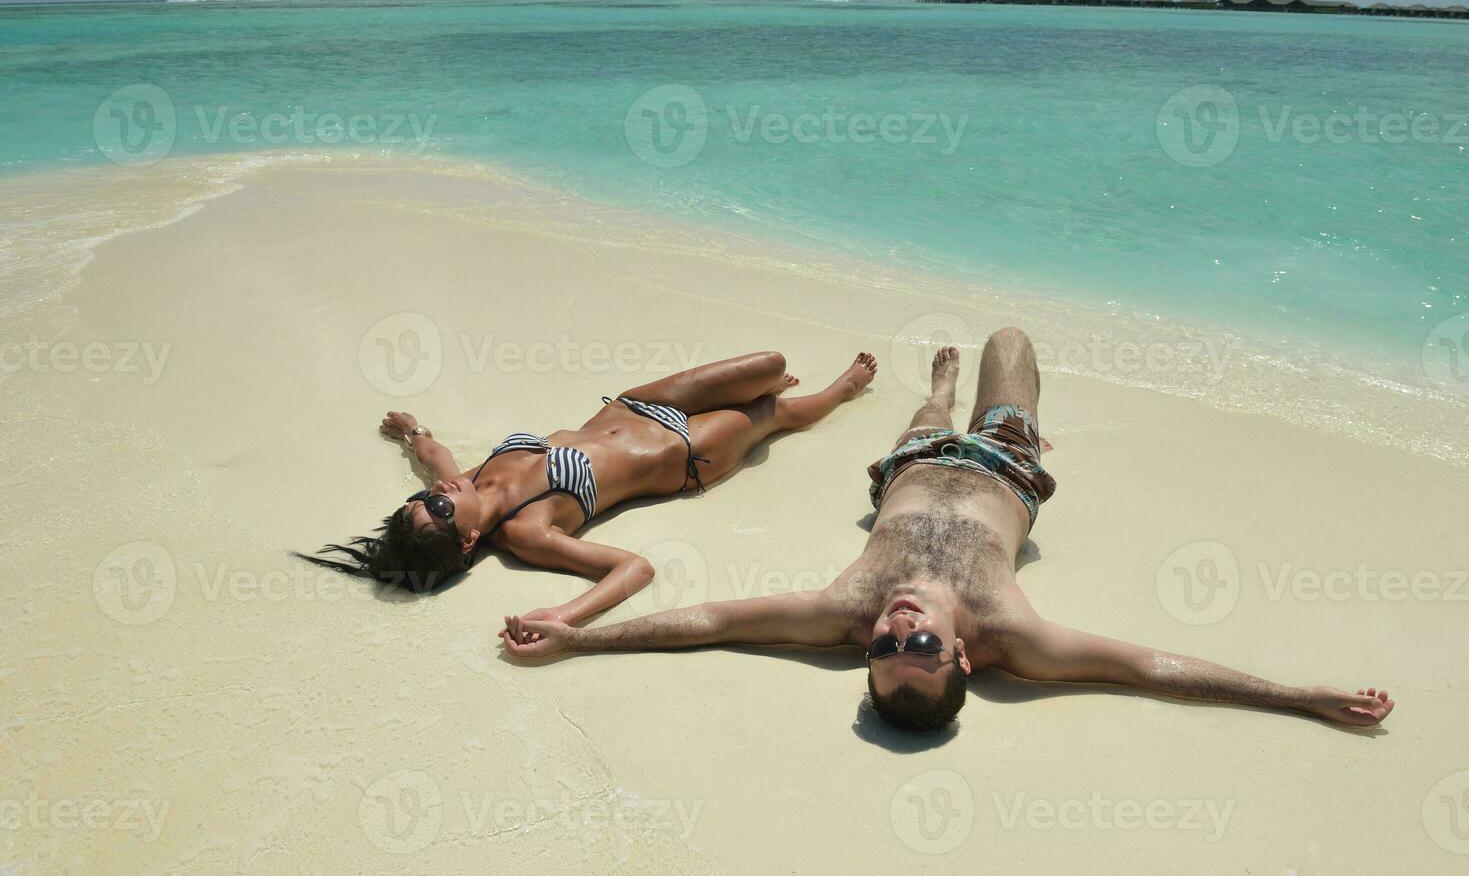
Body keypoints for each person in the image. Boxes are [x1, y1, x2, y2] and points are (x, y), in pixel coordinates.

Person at [501, 329, 1395, 732]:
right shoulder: (1013, 634)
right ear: (962, 657)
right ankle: (984, 395)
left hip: (910, 465)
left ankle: (933, 391)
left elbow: (711, 624)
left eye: (885, 647)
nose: (895, 626)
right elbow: (1149, 669)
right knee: (1010, 338)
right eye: (917, 642)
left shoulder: (847, 610)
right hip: (1007, 462)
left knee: (925, 416)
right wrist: (1295, 698)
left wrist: (580, 639)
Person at [306, 351, 878, 627]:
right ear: (467, 540)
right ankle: (840, 391)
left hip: (638, 403)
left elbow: (435, 457)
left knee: (769, 361)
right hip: (686, 452)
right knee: (775, 411)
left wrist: (413, 432)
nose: (437, 493)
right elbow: (632, 568)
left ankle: (772, 391)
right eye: (438, 507)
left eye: (422, 500)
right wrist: (566, 614)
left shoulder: (467, 484)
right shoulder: (525, 531)